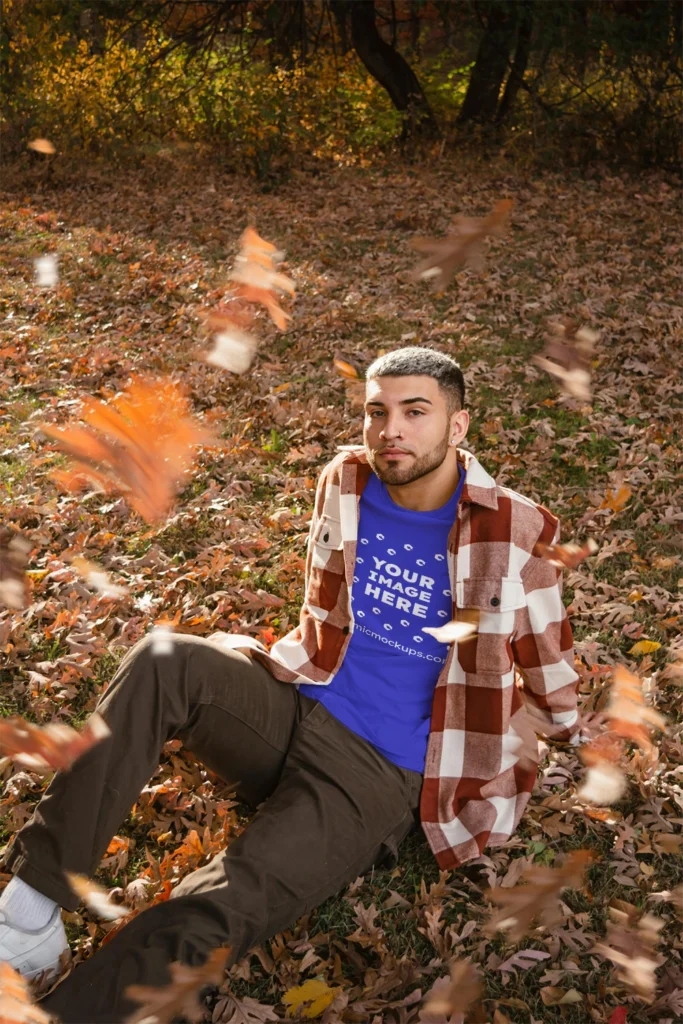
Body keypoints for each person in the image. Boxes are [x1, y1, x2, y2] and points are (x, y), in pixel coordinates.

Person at [0, 347, 580, 1022]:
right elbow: (324, 612)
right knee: (164, 657)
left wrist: (488, 765)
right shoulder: (347, 479)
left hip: (376, 772)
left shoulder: (514, 531)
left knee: (218, 901)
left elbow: (553, 687)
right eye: (376, 411)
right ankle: (29, 914)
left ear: (457, 427)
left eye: (414, 413)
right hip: (297, 701)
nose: (390, 429)